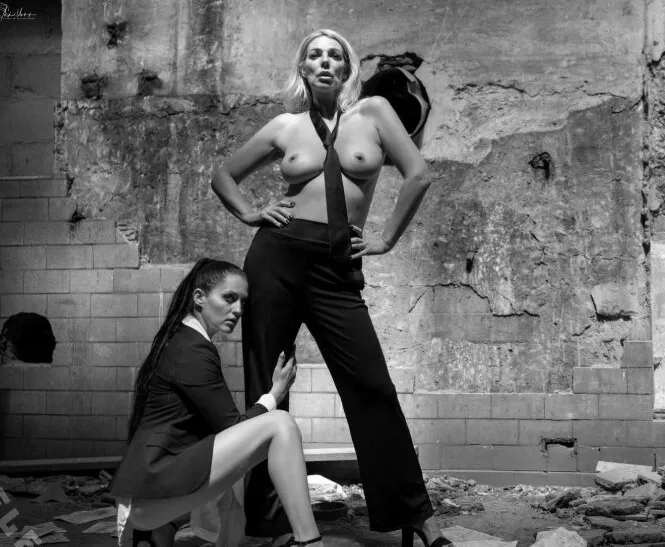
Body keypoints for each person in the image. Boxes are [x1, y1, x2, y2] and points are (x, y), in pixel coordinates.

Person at [210, 28, 448, 547]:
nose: (324, 61)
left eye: (334, 55)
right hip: (276, 258)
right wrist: (251, 213)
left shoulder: (374, 112)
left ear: (346, 69)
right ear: (303, 67)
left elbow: (419, 175)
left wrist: (386, 239)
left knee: (372, 387)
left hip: (337, 265)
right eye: (314, 54)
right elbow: (223, 175)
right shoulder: (284, 126)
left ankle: (415, 515)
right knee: (268, 385)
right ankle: (267, 518)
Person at [109, 258, 323, 547]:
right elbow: (233, 427)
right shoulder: (192, 349)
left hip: (150, 490)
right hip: (152, 492)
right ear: (199, 297)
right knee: (280, 424)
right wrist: (274, 394)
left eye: (242, 302)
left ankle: (160, 531)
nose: (238, 310)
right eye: (229, 298)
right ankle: (309, 542)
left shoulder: (183, 339)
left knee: (244, 454)